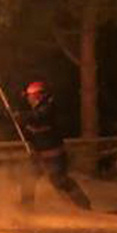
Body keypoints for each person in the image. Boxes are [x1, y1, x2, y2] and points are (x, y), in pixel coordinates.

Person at [18, 81, 91, 210]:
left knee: (60, 181)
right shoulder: (37, 109)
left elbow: (38, 117)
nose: (29, 99)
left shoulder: (48, 107)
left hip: (53, 154)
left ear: (38, 96)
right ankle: (26, 209)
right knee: (28, 178)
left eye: (30, 96)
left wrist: (22, 116)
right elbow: (32, 126)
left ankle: (84, 205)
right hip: (39, 153)